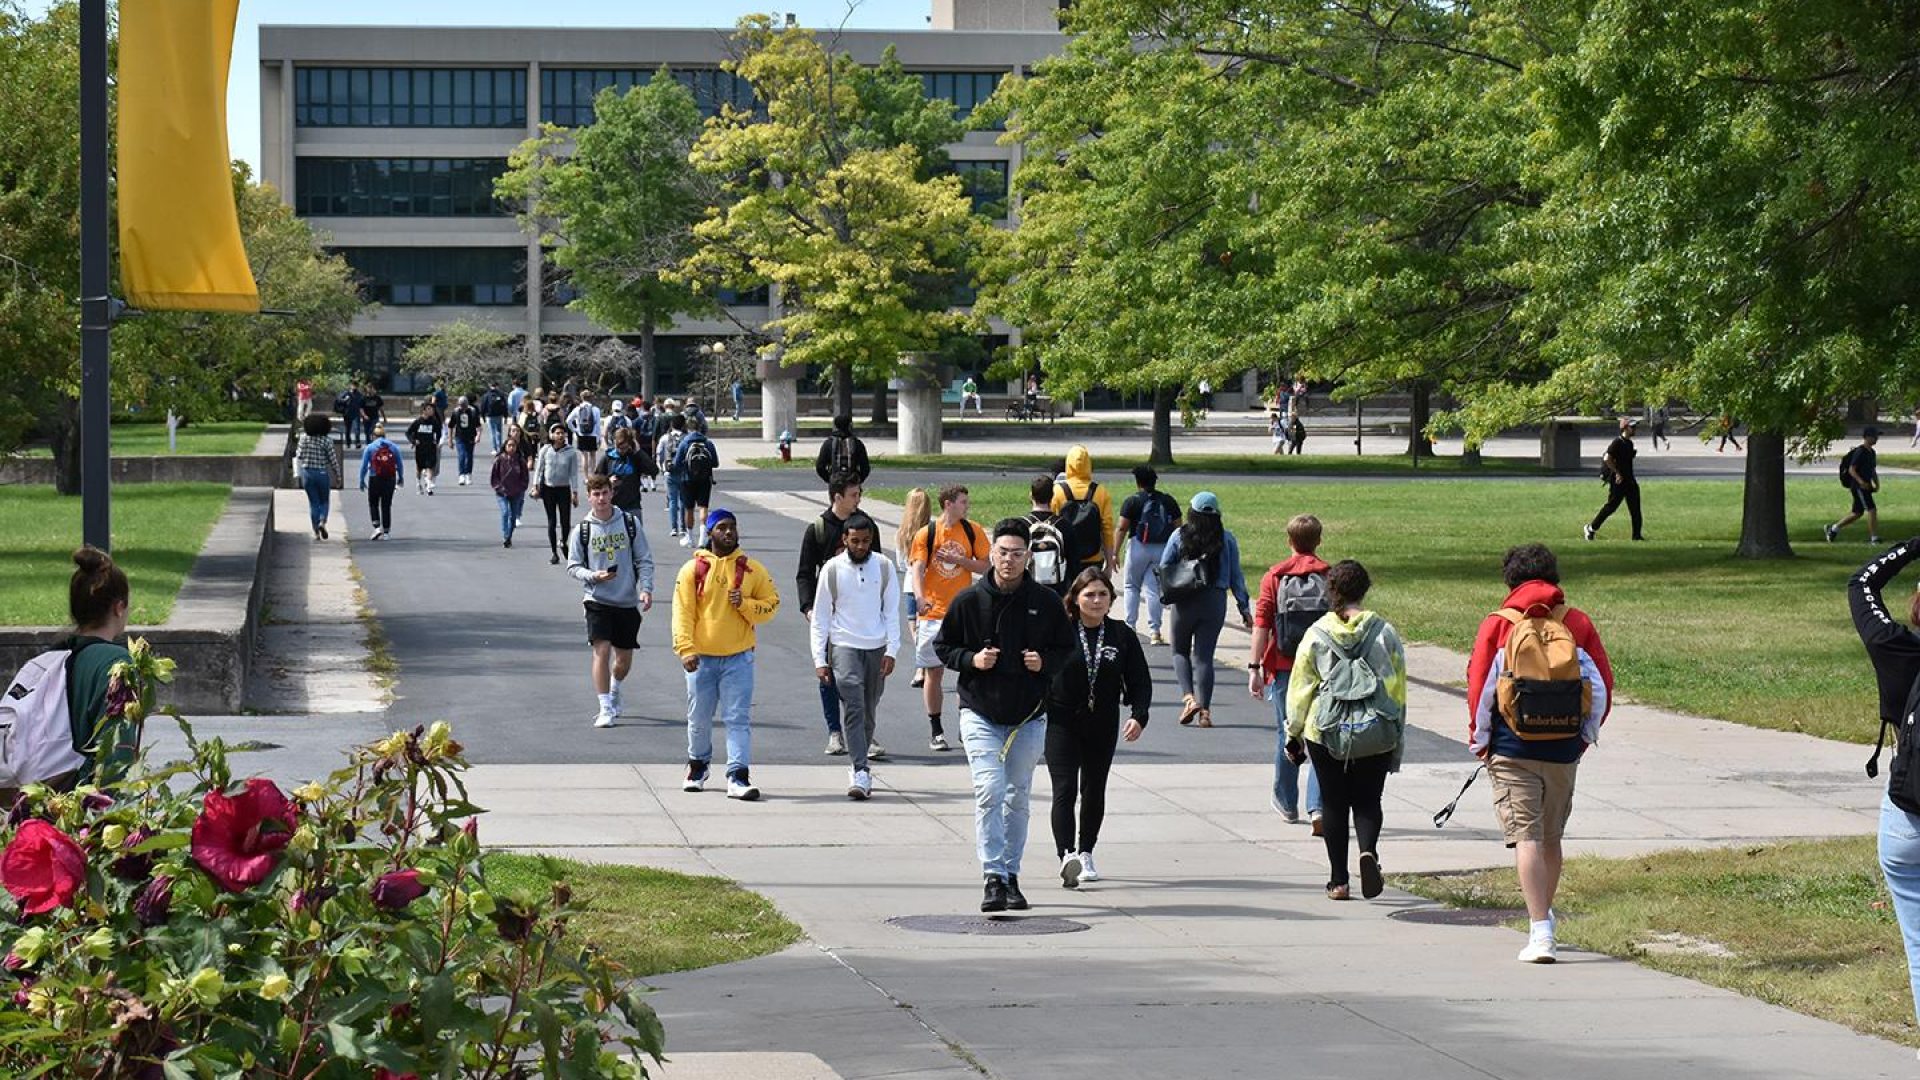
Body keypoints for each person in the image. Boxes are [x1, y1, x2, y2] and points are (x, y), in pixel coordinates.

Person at [1467, 543, 1613, 961]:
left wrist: (1480, 741)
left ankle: (1540, 931)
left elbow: (1481, 688)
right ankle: (1543, 919)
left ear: (1510, 581)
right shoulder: (1577, 622)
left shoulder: (1499, 624)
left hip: (1513, 746)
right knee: (1551, 838)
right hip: (1565, 746)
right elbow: (1602, 686)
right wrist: (1584, 738)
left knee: (1525, 838)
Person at [935, 518, 1075, 913]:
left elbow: (1066, 650)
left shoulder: (1046, 603)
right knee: (989, 790)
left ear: (1028, 557)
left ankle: (1011, 875)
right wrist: (971, 659)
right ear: (991, 554)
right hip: (980, 711)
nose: (1009, 560)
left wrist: (1043, 662)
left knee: (1017, 795)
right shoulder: (969, 600)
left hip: (1028, 715)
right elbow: (943, 646)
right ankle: (992, 875)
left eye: (1017, 553)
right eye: (1002, 552)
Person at [1285, 560, 1408, 902]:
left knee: (1334, 802)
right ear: (1364, 590)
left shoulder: (1316, 634)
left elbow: (1301, 689)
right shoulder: (1384, 632)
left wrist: (1292, 734)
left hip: (1326, 731)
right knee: (1369, 799)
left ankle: (1338, 880)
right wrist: (1395, 730)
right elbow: (1396, 686)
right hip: (1375, 728)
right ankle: (1368, 851)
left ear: (1331, 592)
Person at [1847, 538, 1920, 1033]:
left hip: (1906, 814)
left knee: (1918, 943)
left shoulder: (1893, 647)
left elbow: (1863, 582)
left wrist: (1914, 546)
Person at [2, 548, 138, 795]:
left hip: (29, 804)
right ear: (119, 607)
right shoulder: (117, 663)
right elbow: (116, 753)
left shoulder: (46, 660)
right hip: (77, 811)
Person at [1048, 568, 1152, 889]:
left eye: (1102, 594)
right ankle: (1067, 855)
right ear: (1076, 598)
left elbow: (1139, 680)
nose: (1095, 600)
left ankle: (1086, 850)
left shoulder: (1122, 635)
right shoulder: (1060, 632)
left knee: (1093, 789)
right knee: (1064, 789)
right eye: (1089, 594)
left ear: (1111, 599)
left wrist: (1139, 714)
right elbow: (1039, 672)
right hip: (1062, 721)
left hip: (1102, 721)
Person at [673, 510, 780, 800]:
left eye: (733, 527)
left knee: (737, 718)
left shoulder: (752, 570)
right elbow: (682, 613)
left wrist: (745, 605)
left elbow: (771, 605)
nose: (729, 533)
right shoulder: (692, 570)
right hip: (701, 659)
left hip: (738, 657)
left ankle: (738, 774)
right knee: (699, 717)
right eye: (722, 528)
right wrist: (685, 649)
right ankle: (697, 765)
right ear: (710, 533)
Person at [809, 512, 900, 799]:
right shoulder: (832, 570)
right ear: (845, 540)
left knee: (869, 709)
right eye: (855, 541)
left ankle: (861, 754)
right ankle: (860, 770)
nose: (861, 546)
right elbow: (821, 617)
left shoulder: (884, 567)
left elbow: (891, 611)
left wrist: (893, 650)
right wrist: (819, 659)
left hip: (876, 647)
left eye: (866, 541)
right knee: (854, 704)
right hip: (843, 646)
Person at [1249, 514, 1330, 830]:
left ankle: (1286, 802)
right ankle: (1318, 807)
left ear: (1289, 540)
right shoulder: (1329, 575)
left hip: (1284, 665)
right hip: (1323, 667)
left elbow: (1261, 625)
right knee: (1321, 734)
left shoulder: (1275, 576)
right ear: (1319, 541)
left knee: (1288, 733)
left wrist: (1254, 667)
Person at [1157, 491, 1252, 728]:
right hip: (1215, 601)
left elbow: (1165, 565)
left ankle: (1189, 698)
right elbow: (1236, 576)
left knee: (1179, 651)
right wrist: (1244, 607)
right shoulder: (1227, 539)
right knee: (1204, 657)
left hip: (1186, 599)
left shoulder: (1179, 536)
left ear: (1192, 512)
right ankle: (1206, 711)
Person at [569, 475, 655, 729]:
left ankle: (615, 687)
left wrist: (646, 589)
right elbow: (573, 565)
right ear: (589, 497)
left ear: (611, 493)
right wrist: (593, 576)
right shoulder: (582, 530)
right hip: (597, 599)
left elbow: (644, 559)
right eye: (596, 494)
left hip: (626, 600)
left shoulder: (629, 523)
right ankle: (605, 706)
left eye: (605, 493)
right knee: (601, 650)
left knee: (623, 661)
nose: (601, 499)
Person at [911, 485, 991, 757]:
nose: (967, 506)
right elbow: (918, 568)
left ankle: (966, 723)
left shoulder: (972, 531)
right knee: (934, 672)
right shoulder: (927, 534)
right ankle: (936, 729)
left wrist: (960, 560)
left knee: (969, 668)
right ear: (948, 504)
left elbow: (984, 566)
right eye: (963, 502)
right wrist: (920, 597)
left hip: (963, 612)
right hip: (934, 613)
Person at [798, 474, 869, 756]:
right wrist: (809, 608)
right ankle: (835, 732)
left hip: (859, 615)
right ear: (837, 497)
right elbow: (804, 573)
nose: (858, 499)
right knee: (828, 673)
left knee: (860, 676)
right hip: (828, 613)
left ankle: (864, 731)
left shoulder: (865, 525)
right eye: (853, 495)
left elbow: (874, 566)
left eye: (859, 494)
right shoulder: (817, 529)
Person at [1115, 465, 1180, 646]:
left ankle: (1130, 627)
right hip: (1162, 548)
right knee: (1154, 589)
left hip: (1138, 546)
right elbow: (1179, 527)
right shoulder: (1167, 501)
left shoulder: (1132, 501)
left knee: (1131, 586)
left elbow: (1121, 527)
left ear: (1138, 482)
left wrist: (1114, 553)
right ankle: (1155, 631)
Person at [894, 487, 937, 720]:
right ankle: (924, 666)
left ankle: (922, 666)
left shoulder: (902, 532)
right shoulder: (933, 529)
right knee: (925, 628)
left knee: (915, 629)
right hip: (930, 586)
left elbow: (902, 564)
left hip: (911, 586)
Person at [1050, 445, 1117, 579]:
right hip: (1093, 557)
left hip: (1065, 557)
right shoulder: (1100, 492)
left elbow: (1051, 527)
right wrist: (1110, 564)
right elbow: (1107, 529)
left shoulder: (1057, 491)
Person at [1584, 417, 1643, 542]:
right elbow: (1607, 458)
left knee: (1635, 509)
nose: (1635, 429)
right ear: (1625, 428)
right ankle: (1591, 528)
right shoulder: (1617, 442)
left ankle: (1637, 536)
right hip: (1619, 482)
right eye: (1632, 427)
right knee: (1611, 507)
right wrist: (1617, 473)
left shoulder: (1629, 443)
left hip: (1630, 480)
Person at [533, 424, 582, 566]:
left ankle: (563, 541)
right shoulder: (545, 450)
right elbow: (539, 469)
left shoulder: (571, 452)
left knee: (565, 521)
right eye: (557, 433)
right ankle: (554, 552)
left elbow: (573, 473)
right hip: (548, 489)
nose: (560, 436)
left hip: (563, 489)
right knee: (551, 521)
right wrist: (535, 486)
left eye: (562, 433)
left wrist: (575, 492)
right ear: (551, 435)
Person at [1828, 427, 1884, 545]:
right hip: (1858, 486)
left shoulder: (1872, 453)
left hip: (1866, 486)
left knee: (1857, 512)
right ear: (1867, 437)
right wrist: (1861, 482)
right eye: (1874, 436)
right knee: (1871, 509)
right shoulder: (1860, 451)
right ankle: (1874, 539)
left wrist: (1876, 483)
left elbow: (1872, 470)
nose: (1877, 438)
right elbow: (1851, 469)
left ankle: (1833, 529)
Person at [673, 418, 720, 547]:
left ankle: (689, 537)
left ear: (687, 428)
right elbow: (715, 463)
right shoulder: (708, 443)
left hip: (687, 479)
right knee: (703, 507)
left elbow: (677, 463)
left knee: (689, 509)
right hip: (705, 479)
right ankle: (703, 537)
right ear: (700, 428)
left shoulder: (684, 443)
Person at [294, 413, 339, 541]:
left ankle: (316, 532)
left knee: (313, 502)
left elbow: (299, 455)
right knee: (324, 500)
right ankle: (322, 521)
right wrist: (338, 475)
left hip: (307, 473)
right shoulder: (327, 441)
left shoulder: (303, 439)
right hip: (322, 473)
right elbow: (333, 460)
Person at [357, 423, 405, 540]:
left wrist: (361, 480)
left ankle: (377, 527)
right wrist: (400, 477)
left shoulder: (370, 447)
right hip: (390, 478)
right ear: (385, 435)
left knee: (373, 503)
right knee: (386, 505)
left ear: (373, 436)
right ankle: (387, 532)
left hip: (375, 478)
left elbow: (364, 466)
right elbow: (399, 464)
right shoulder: (394, 447)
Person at [594, 425, 646, 520]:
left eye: (624, 448)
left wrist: (639, 451)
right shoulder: (608, 458)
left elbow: (653, 470)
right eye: (619, 448)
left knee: (634, 534)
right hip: (611, 506)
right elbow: (595, 481)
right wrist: (608, 481)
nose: (621, 451)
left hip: (632, 506)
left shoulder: (635, 457)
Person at [490, 425, 530, 548]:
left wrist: (521, 488)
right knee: (505, 513)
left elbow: (525, 477)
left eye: (513, 446)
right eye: (509, 446)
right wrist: (499, 488)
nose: (511, 448)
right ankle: (505, 535)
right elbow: (494, 477)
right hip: (502, 492)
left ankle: (509, 535)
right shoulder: (499, 460)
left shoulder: (520, 460)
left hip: (516, 492)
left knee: (513, 516)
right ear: (505, 447)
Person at [658, 413, 690, 542]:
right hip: (683, 472)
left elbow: (659, 453)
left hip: (670, 472)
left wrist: (662, 468)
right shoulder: (686, 438)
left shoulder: (665, 438)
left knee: (672, 501)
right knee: (683, 501)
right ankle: (683, 527)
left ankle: (673, 528)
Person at [815, 415, 871, 487]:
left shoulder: (828, 443)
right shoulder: (857, 443)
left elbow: (820, 467)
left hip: (835, 483)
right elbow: (865, 467)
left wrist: (830, 480)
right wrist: (858, 480)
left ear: (835, 425)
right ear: (849, 425)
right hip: (853, 483)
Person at [405, 400, 443, 495]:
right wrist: (413, 441)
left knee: (430, 467)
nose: (432, 411)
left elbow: (439, 432)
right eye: (429, 409)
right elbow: (408, 433)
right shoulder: (417, 422)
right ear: (424, 410)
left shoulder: (434, 422)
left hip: (430, 447)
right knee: (419, 468)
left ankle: (429, 487)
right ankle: (418, 484)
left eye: (432, 409)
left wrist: (437, 441)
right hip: (420, 448)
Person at [448, 394, 482, 485]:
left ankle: (468, 474)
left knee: (469, 456)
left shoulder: (473, 412)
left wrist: (478, 435)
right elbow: (451, 426)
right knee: (462, 455)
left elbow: (478, 425)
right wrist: (450, 440)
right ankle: (461, 474)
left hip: (470, 436)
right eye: (461, 405)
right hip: (459, 437)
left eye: (464, 405)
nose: (462, 408)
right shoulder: (455, 412)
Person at [568, 390, 604, 459]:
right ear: (591, 398)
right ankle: (592, 470)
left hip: (581, 434)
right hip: (593, 435)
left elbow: (568, 421)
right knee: (593, 456)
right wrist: (599, 438)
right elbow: (598, 425)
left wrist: (575, 430)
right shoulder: (596, 409)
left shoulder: (577, 409)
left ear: (581, 398)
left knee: (584, 457)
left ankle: (585, 470)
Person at [480, 382, 509, 453]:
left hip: (490, 416)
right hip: (499, 415)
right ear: (497, 386)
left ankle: (494, 448)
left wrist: (483, 416)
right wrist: (505, 416)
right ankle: (500, 447)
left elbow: (483, 406)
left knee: (492, 432)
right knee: (499, 431)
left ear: (490, 386)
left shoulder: (486, 395)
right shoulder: (501, 395)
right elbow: (504, 406)